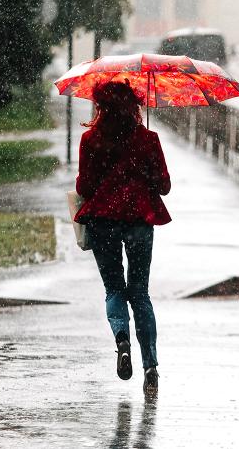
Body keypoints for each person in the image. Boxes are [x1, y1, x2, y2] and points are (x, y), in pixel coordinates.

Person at [74, 80, 171, 395]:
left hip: (103, 219)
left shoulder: (91, 141)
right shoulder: (148, 139)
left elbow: (85, 188)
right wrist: (147, 166)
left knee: (114, 288)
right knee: (139, 293)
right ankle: (152, 367)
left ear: (101, 107)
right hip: (140, 219)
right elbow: (164, 186)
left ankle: (122, 340)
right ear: (134, 106)